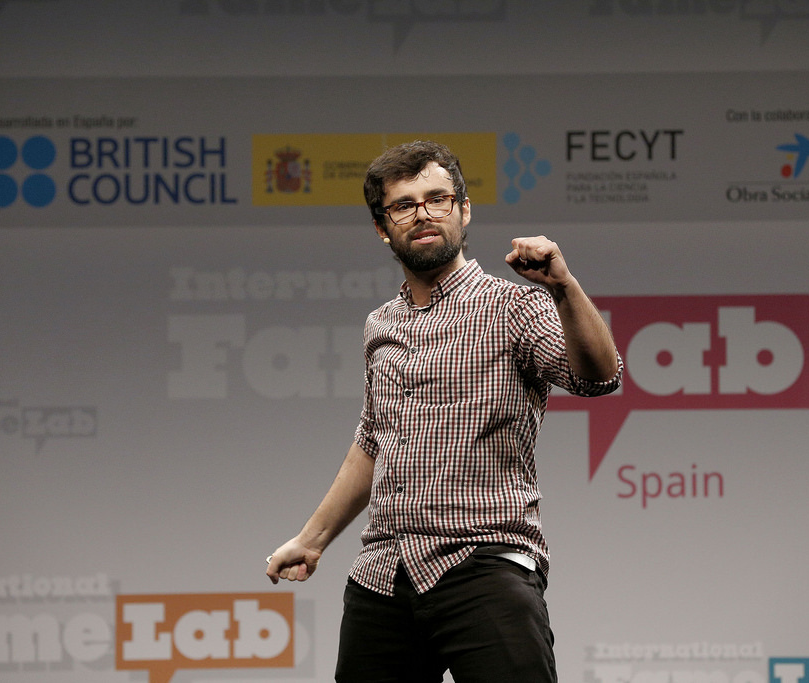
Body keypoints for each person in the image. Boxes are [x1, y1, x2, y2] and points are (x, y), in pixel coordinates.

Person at [265, 140, 623, 683]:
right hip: (383, 575)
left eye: (438, 198)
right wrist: (312, 540)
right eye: (404, 204)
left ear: (464, 210)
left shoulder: (514, 305)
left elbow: (598, 377)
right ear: (383, 228)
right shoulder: (379, 326)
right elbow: (373, 440)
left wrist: (564, 289)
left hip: (483, 565)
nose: (424, 213)